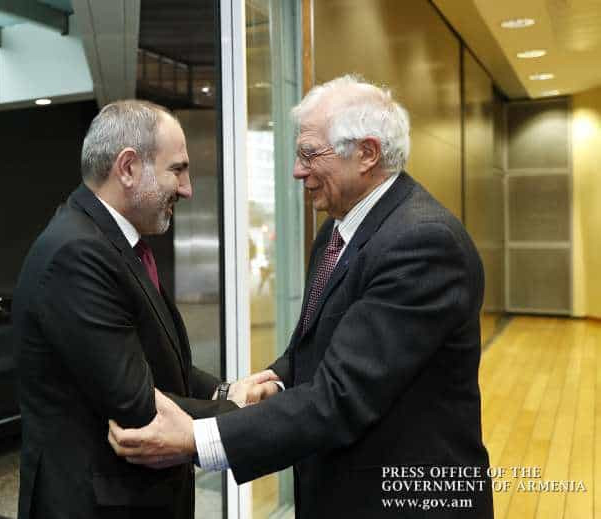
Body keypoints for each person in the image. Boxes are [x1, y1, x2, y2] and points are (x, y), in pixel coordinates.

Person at [108, 75, 495, 518]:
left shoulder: (422, 243)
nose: (297, 170)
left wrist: (198, 439)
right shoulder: (337, 231)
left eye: (310, 154)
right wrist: (272, 381)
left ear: (367, 153)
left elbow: (341, 395)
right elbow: (317, 348)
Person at [12, 100, 277, 519]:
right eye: (178, 170)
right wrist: (241, 413)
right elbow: (135, 405)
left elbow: (158, 358)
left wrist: (224, 391)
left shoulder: (108, 241)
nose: (187, 189)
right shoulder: (77, 253)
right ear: (129, 168)